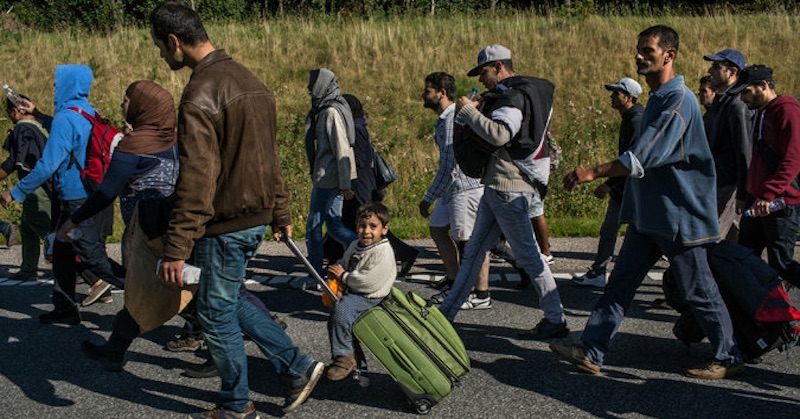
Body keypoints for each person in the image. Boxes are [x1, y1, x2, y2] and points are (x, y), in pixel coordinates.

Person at [149, 2, 323, 417]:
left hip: (223, 224)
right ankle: (297, 366)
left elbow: (196, 178)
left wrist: (176, 248)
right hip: (254, 218)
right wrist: (280, 212)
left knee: (213, 311)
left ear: (175, 42)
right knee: (224, 299)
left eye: (159, 47)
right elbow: (269, 159)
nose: (160, 55)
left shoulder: (199, 92)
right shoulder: (252, 81)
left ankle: (236, 405)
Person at [553, 25, 743, 380]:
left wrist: (593, 172)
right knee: (620, 285)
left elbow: (643, 157)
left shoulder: (679, 100)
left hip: (678, 217)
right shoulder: (657, 99)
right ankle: (591, 350)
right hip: (649, 216)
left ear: (669, 55)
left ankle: (728, 355)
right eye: (638, 49)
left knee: (698, 290)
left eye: (648, 51)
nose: (639, 56)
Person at [439, 44, 569, 339]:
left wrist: (469, 112)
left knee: (529, 256)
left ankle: (556, 317)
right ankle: (447, 313)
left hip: (507, 188)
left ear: (498, 66)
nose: (482, 79)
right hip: (503, 185)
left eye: (484, 71)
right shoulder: (522, 93)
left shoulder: (510, 98)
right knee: (473, 252)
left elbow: (501, 134)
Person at [65, 80, 182, 370]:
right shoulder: (173, 140)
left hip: (145, 230)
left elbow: (107, 192)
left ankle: (279, 349)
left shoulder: (134, 146)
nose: (122, 105)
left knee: (148, 285)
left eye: (127, 99)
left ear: (143, 106)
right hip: (173, 225)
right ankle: (115, 350)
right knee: (161, 285)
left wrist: (73, 220)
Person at [0, 64, 123, 324]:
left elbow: (46, 165)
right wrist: (39, 114)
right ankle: (65, 308)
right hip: (87, 192)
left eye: (58, 83)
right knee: (63, 252)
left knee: (91, 256)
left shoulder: (67, 117)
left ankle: (143, 286)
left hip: (74, 197)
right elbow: (66, 132)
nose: (55, 88)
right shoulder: (86, 111)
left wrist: (16, 192)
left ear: (68, 85)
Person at [322, 93, 419, 278]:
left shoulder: (356, 128)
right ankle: (332, 257)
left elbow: (358, 160)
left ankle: (405, 253)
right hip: (357, 182)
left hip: (358, 184)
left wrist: (340, 164)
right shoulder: (356, 126)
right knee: (346, 221)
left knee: (362, 222)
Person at [419, 72, 491, 309]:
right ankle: (454, 280)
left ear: (442, 93)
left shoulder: (451, 120)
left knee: (470, 241)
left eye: (428, 90)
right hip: (453, 188)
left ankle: (481, 295)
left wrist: (428, 197)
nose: (424, 94)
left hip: (465, 187)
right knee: (438, 229)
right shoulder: (443, 119)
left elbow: (449, 165)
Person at [572, 77, 644, 288]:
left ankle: (615, 275)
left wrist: (609, 184)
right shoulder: (629, 117)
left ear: (629, 97)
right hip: (625, 188)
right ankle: (600, 272)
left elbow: (631, 160)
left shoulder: (636, 120)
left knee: (633, 235)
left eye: (616, 93)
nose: (611, 96)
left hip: (631, 189)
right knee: (609, 231)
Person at [732, 65, 800, 276]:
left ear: (763, 86)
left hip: (779, 203)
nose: (743, 99)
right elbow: (756, 161)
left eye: (746, 92)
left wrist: (768, 194)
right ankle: (755, 308)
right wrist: (746, 194)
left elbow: (792, 160)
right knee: (744, 258)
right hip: (757, 200)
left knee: (781, 265)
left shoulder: (788, 111)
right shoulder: (762, 113)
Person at [325, 202, 396, 381]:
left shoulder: (382, 252)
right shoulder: (356, 245)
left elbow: (369, 281)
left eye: (373, 226)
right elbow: (344, 261)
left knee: (342, 311)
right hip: (356, 289)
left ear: (384, 229)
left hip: (371, 295)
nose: (366, 231)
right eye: (362, 226)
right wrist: (336, 274)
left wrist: (344, 277)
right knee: (335, 318)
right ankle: (348, 354)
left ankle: (345, 358)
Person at [304, 68, 359, 279]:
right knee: (334, 225)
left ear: (322, 85)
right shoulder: (326, 109)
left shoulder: (330, 112)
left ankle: (315, 274)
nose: (310, 88)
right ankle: (361, 252)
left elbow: (342, 149)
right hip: (329, 178)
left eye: (313, 83)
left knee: (313, 227)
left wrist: (345, 185)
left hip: (328, 180)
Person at [702, 49, 754, 240]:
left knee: (708, 241)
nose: (711, 70)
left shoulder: (737, 105)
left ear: (732, 72)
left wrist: (743, 192)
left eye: (717, 66)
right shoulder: (720, 102)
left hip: (729, 186)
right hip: (716, 183)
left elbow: (744, 152)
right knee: (733, 243)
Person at [2, 94, 52, 280]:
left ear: (15, 111)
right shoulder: (41, 125)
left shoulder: (22, 129)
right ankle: (28, 269)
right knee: (27, 228)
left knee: (46, 230)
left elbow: (13, 163)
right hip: (42, 186)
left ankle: (81, 269)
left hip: (34, 188)